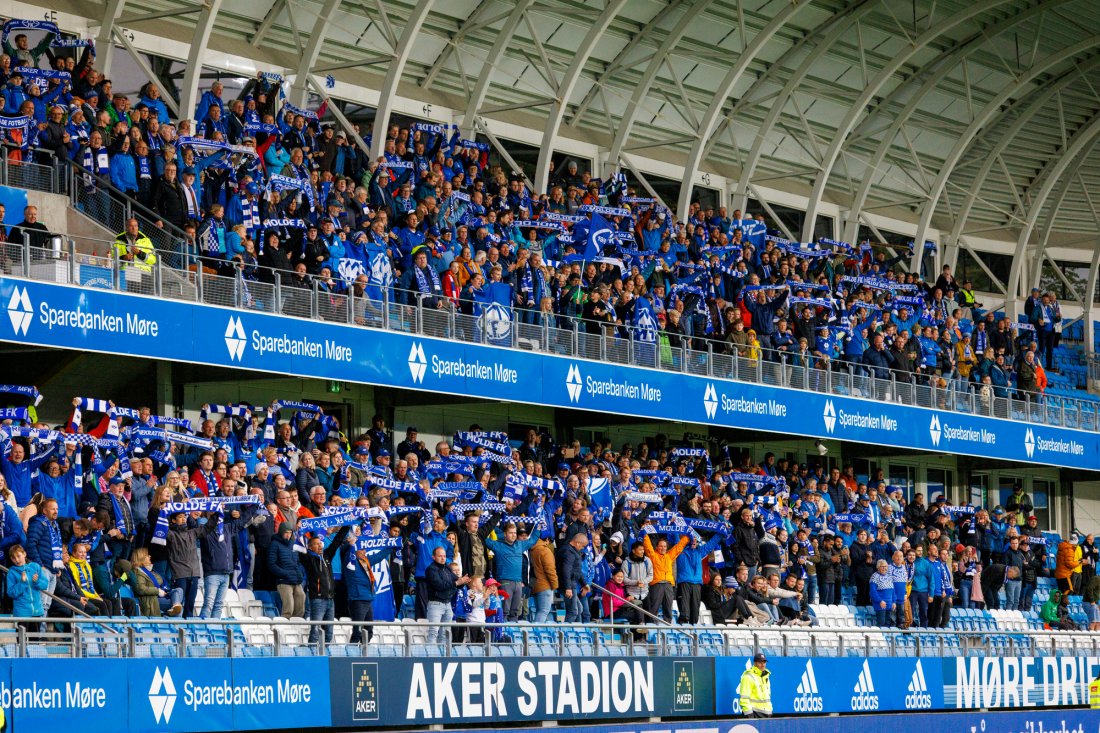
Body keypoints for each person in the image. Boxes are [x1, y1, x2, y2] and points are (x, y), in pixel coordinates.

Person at [301, 525, 353, 644]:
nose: (320, 545)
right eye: (316, 544)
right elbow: (299, 547)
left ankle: (326, 655)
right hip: (318, 600)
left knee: (329, 633)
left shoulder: (327, 556)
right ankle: (312, 655)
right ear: (309, 547)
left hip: (330, 599)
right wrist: (299, 530)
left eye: (321, 543)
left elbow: (337, 541)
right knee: (315, 631)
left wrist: (347, 524)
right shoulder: (308, 559)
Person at [425, 545, 470, 643]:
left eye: (444, 556)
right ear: (433, 557)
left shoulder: (447, 568)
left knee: (445, 633)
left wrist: (463, 582)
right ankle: (429, 657)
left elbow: (456, 582)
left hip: (448, 604)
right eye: (440, 556)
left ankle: (442, 656)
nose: (443, 558)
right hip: (435, 604)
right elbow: (440, 586)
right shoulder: (430, 569)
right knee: (433, 633)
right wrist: (457, 582)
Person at [130, 547, 184, 617]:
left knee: (179, 590)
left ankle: (174, 607)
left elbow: (160, 580)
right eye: (147, 555)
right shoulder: (137, 572)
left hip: (157, 596)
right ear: (141, 558)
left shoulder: (149, 570)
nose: (150, 556)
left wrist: (150, 571)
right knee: (179, 607)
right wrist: (157, 591)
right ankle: (174, 621)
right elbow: (140, 589)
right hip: (149, 600)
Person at [7, 544, 49, 630]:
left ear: (24, 554)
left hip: (36, 612)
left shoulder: (35, 566)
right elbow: (11, 593)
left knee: (34, 642)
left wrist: (37, 581)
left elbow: (45, 585)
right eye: (13, 558)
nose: (17, 560)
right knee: (22, 642)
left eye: (18, 556)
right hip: (21, 613)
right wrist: (22, 583)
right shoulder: (11, 572)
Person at [269, 521, 306, 618]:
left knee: (301, 600)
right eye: (286, 532)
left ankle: (296, 627)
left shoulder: (293, 544)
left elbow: (298, 562)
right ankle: (284, 629)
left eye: (290, 532)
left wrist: (300, 573)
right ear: (281, 532)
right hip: (283, 581)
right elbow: (271, 564)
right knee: (288, 608)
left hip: (296, 579)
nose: (288, 535)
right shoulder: (274, 544)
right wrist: (284, 574)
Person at [738, 652, 772, 718]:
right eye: (760, 662)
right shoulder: (748, 677)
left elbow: (767, 696)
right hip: (755, 714)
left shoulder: (766, 676)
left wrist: (770, 711)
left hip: (767, 714)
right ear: (755, 663)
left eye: (764, 662)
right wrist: (749, 716)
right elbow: (744, 699)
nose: (763, 665)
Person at [869, 559, 896, 626]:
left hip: (889, 604)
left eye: (885, 566)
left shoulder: (889, 576)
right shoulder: (874, 577)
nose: (884, 568)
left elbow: (893, 590)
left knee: (888, 624)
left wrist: (894, 602)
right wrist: (880, 601)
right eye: (882, 566)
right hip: (880, 604)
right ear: (878, 567)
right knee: (881, 623)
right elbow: (873, 592)